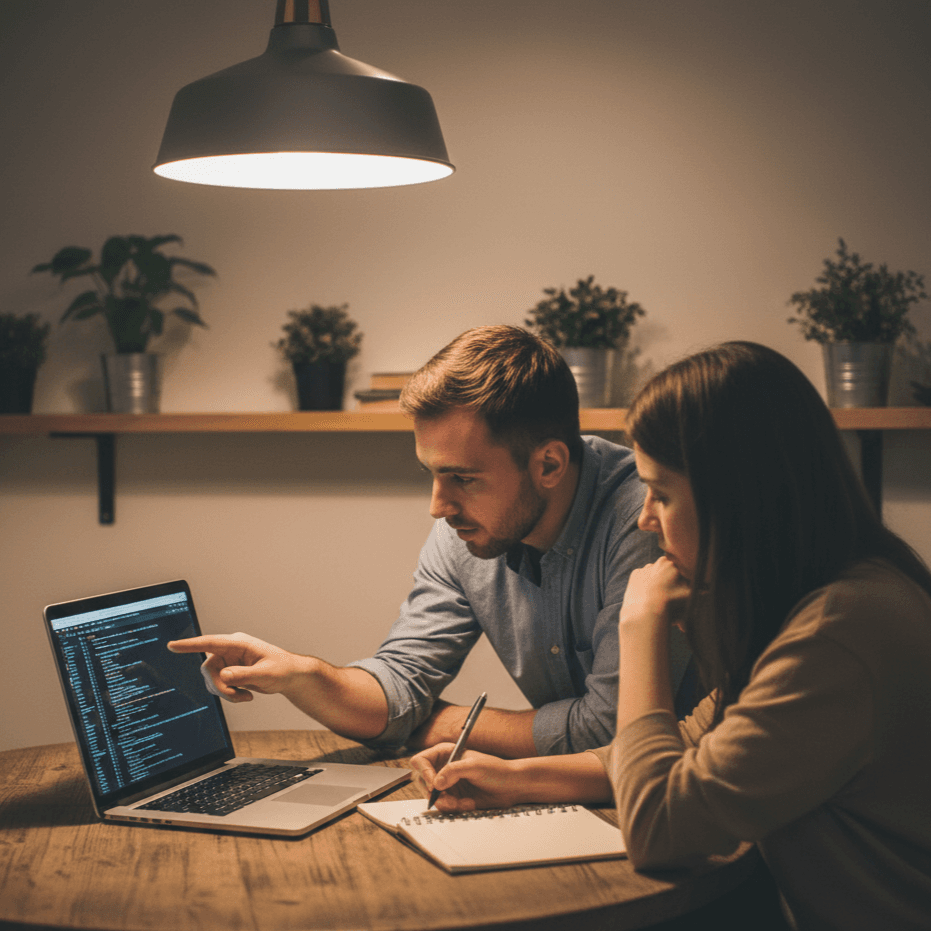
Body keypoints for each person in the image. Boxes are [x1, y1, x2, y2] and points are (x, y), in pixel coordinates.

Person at [411, 341, 931, 929]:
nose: (645, 518)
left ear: (734, 499)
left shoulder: (837, 635)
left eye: (660, 493)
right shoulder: (830, 601)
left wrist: (640, 626)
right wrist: (514, 781)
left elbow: (659, 828)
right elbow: (686, 748)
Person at [169, 325, 691, 758]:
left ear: (548, 464)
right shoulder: (464, 531)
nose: (438, 507)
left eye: (463, 478)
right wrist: (302, 677)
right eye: (431, 474)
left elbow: (614, 731)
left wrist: (448, 725)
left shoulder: (645, 517)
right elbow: (401, 687)